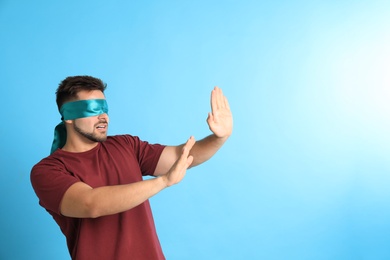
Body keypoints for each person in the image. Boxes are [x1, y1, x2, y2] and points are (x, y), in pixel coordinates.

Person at [30, 75, 233, 260]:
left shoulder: (126, 145)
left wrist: (219, 138)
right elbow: (90, 204)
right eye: (92, 109)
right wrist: (163, 182)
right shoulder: (48, 171)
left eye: (105, 109)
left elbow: (181, 157)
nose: (103, 117)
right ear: (69, 116)